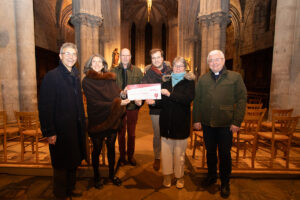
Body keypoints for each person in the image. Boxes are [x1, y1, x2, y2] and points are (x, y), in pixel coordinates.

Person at [193, 50, 247, 198]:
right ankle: (211, 176)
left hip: (225, 123)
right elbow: (197, 100)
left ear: (223, 60)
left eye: (217, 60)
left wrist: (237, 121)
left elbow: (242, 99)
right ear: (208, 63)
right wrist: (196, 119)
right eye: (211, 60)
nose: (214, 63)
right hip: (207, 123)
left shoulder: (234, 77)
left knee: (224, 154)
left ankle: (225, 182)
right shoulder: (203, 79)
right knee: (210, 152)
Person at [38, 42, 86, 200]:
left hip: (74, 128)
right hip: (60, 129)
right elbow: (45, 107)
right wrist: (49, 131)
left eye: (74, 54)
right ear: (60, 56)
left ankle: (70, 188)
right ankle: (60, 194)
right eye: (68, 53)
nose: (71, 57)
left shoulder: (75, 75)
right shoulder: (52, 77)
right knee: (60, 165)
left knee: (73, 161)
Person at [82, 54, 130, 189]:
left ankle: (111, 175)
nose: (97, 64)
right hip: (97, 119)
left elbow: (116, 94)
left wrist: (123, 93)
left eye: (100, 62)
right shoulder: (86, 81)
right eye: (94, 62)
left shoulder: (110, 79)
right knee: (96, 150)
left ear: (104, 65)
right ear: (90, 65)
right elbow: (94, 102)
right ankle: (96, 177)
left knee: (111, 149)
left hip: (112, 118)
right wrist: (118, 103)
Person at [148, 56, 195, 189]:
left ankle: (179, 177)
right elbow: (161, 102)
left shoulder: (189, 82)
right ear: (172, 67)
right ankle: (167, 175)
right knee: (167, 153)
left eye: (180, 66)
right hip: (166, 123)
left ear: (185, 67)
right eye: (175, 65)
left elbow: (187, 99)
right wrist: (153, 103)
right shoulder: (166, 81)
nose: (178, 68)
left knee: (179, 154)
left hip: (181, 123)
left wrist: (170, 94)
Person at [111, 48, 143, 166]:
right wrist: (121, 93)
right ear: (120, 57)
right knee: (121, 133)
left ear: (130, 57)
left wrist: (140, 101)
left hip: (132, 107)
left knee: (132, 133)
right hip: (119, 107)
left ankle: (130, 156)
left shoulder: (138, 71)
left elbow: (141, 88)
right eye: (123, 55)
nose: (125, 57)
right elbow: (111, 88)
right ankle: (122, 157)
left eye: (127, 55)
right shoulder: (113, 71)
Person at [141, 48, 172, 171]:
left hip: (169, 107)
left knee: (169, 133)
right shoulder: (148, 73)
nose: (156, 60)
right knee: (157, 134)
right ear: (151, 60)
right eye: (153, 58)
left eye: (158, 57)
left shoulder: (171, 71)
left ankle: (169, 156)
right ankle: (157, 157)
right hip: (155, 109)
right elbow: (143, 88)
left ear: (163, 58)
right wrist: (143, 97)